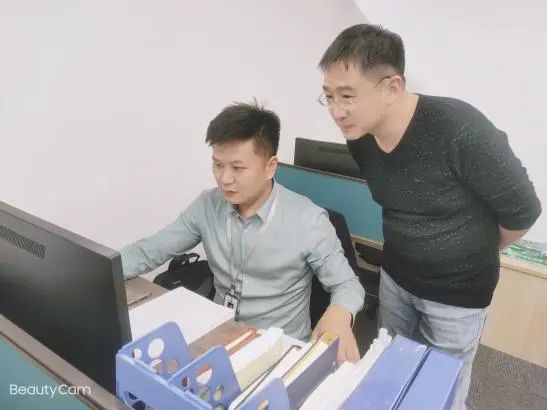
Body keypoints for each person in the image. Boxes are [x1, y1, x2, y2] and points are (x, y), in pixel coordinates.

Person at [318, 24, 541, 409]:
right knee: (391, 370)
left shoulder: (459, 129)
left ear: (392, 87)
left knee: (440, 391)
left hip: (458, 295)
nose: (337, 111)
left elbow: (523, 211)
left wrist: (474, 251)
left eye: (348, 96)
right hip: (397, 277)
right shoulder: (360, 138)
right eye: (329, 96)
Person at [121, 101, 365, 363]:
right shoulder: (207, 206)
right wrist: (100, 273)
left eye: (237, 168)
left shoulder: (308, 220)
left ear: (270, 167)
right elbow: (149, 251)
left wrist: (339, 313)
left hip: (276, 351)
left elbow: (347, 284)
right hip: (217, 339)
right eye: (217, 165)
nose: (224, 179)